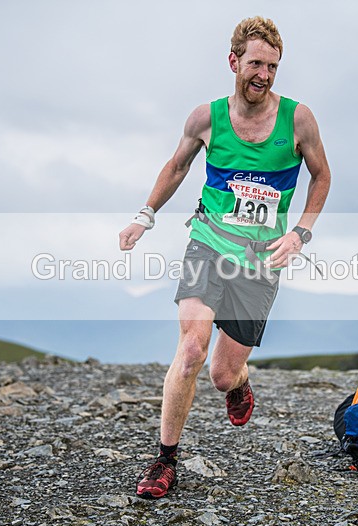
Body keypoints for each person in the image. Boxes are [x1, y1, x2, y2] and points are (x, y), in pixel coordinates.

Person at [118, 16, 331, 499]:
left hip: (261, 260)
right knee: (191, 348)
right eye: (256, 63)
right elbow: (176, 167)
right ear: (233, 61)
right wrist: (144, 216)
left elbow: (321, 177)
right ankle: (164, 461)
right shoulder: (206, 118)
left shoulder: (298, 119)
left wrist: (300, 233)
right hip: (208, 242)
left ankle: (239, 381)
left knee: (220, 374)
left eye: (273, 66)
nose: (264, 75)